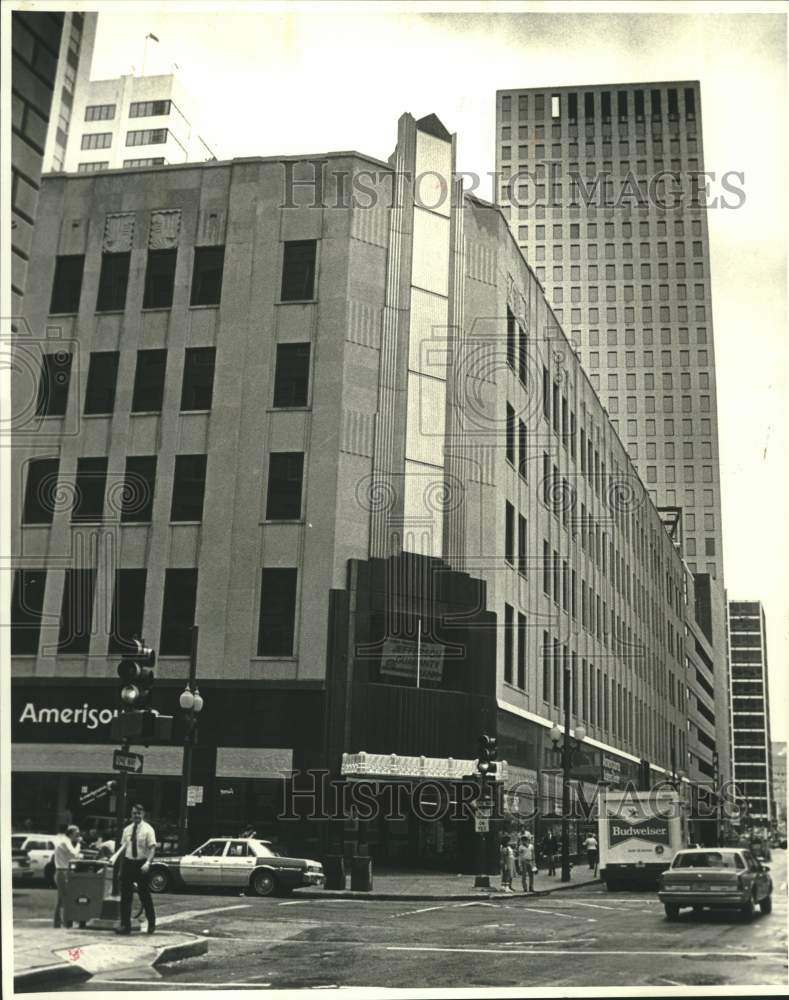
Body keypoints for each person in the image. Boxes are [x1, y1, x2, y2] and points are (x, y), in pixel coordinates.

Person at [111, 803, 157, 935]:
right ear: (131, 815)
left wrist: (148, 862)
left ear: (142, 814)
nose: (136, 816)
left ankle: (152, 924)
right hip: (128, 863)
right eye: (134, 813)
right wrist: (121, 869)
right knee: (126, 896)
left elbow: (153, 848)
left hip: (142, 863)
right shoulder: (127, 830)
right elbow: (123, 849)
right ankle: (125, 926)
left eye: (138, 813)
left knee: (144, 895)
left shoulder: (148, 829)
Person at [53, 825, 82, 928]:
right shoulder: (66, 842)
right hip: (62, 871)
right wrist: (78, 844)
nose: (78, 836)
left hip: (62, 871)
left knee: (61, 898)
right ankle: (66, 922)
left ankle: (58, 922)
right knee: (65, 898)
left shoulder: (65, 841)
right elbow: (74, 854)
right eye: (76, 834)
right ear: (70, 834)